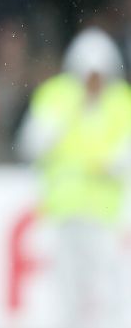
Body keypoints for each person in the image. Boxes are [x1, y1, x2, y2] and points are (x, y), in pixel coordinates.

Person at [16, 27, 131, 328]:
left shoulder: (121, 100)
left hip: (104, 213)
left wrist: (112, 163)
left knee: (106, 286)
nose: (94, 83)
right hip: (63, 210)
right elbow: (32, 143)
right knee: (66, 287)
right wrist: (65, 117)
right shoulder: (56, 95)